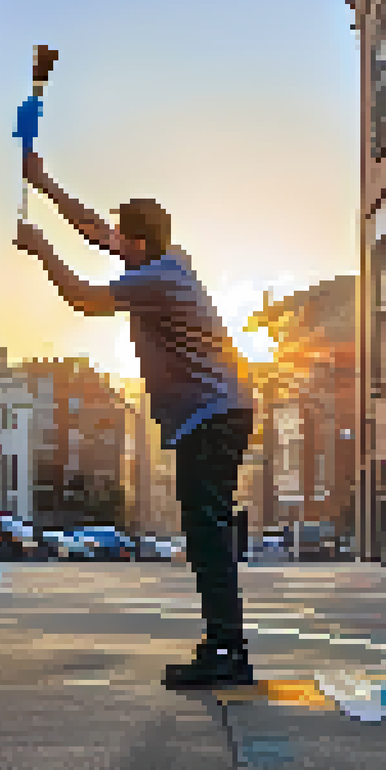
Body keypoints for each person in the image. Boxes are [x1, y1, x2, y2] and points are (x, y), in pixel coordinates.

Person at [14, 150, 256, 689]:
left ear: (140, 244)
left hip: (213, 415)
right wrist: (44, 181)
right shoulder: (167, 261)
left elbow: (81, 298)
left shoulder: (157, 279)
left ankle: (227, 650)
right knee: (205, 530)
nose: (111, 243)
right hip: (217, 412)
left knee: (207, 533)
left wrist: (41, 249)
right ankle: (224, 643)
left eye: (121, 239)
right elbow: (92, 226)